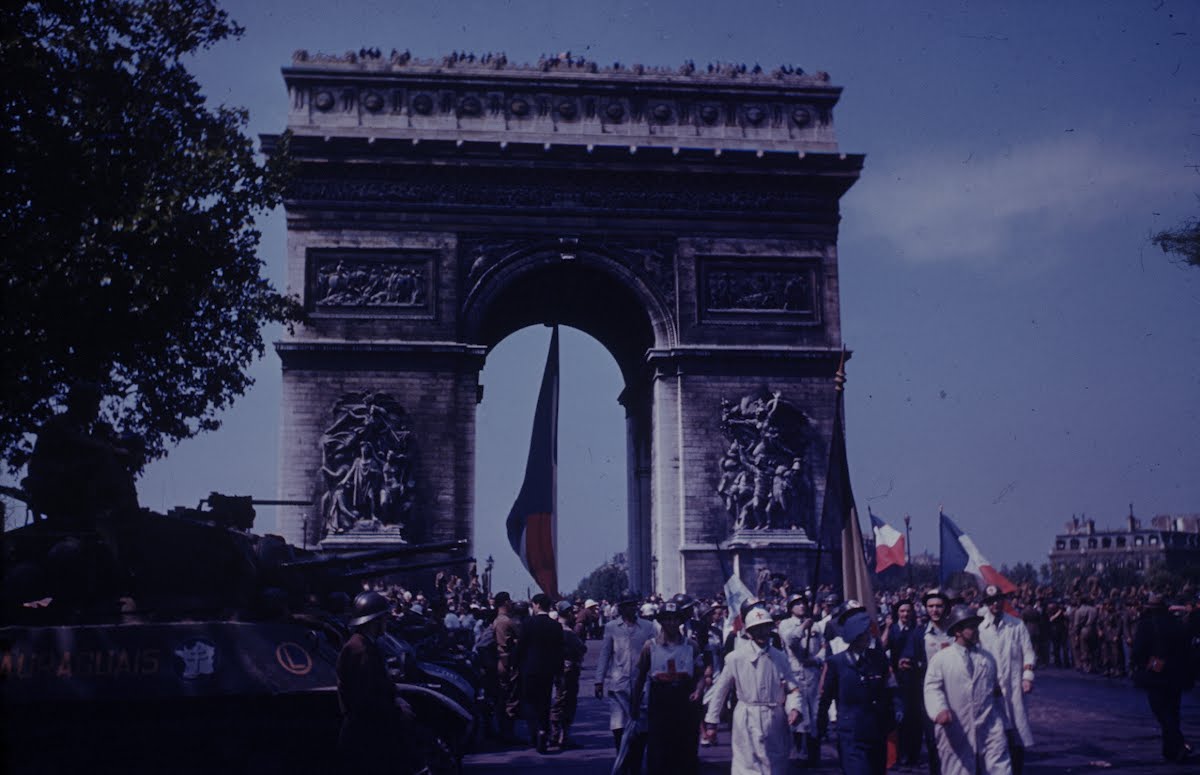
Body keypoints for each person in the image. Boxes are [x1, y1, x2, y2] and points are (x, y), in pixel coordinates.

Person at [704, 606, 802, 775]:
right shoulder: (736, 658)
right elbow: (720, 692)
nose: (761, 633)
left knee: (776, 764)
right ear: (748, 632)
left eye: (765, 627)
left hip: (775, 718)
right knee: (748, 765)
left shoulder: (780, 657)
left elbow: (792, 688)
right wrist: (712, 723)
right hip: (747, 717)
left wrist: (794, 708)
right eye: (756, 629)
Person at [923, 604, 1011, 775]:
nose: (977, 631)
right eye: (972, 628)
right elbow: (932, 688)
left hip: (989, 725)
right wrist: (939, 709)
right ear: (957, 631)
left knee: (1000, 769)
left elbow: (996, 692)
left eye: (977, 627)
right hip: (955, 726)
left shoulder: (987, 658)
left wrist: (1005, 723)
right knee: (958, 770)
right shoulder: (941, 659)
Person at [818, 609, 902, 775]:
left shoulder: (879, 659)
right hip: (851, 734)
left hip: (877, 730)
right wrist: (821, 725)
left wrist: (898, 709)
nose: (868, 637)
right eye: (863, 634)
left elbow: (891, 687)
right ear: (853, 637)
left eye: (868, 633)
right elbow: (826, 697)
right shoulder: (836, 663)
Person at [335, 590, 410, 774]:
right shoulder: (360, 650)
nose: (387, 622)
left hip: (367, 729)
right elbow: (368, 696)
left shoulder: (363, 645)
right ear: (375, 621)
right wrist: (397, 707)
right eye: (384, 618)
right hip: (366, 732)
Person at [632, 593, 706, 774]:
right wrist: (634, 704)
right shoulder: (651, 647)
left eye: (675, 619)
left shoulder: (691, 646)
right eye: (667, 619)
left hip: (684, 699)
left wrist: (698, 690)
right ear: (661, 621)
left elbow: (701, 675)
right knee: (659, 748)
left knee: (686, 747)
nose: (671, 623)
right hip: (660, 700)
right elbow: (640, 675)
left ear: (680, 621)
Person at [977, 585, 1035, 775]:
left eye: (998, 600)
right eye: (991, 601)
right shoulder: (979, 627)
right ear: (986, 603)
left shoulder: (1016, 625)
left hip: (1013, 687)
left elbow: (1028, 652)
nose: (995, 604)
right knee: (994, 734)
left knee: (1016, 733)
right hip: (990, 689)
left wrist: (1027, 677)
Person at [1130, 592, 1193, 763]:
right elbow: (1186, 649)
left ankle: (1179, 744)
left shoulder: (1146, 625)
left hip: (1156, 673)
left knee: (1161, 712)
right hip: (1177, 673)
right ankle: (1170, 750)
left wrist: (1140, 663)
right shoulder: (1177, 623)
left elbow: (1138, 652)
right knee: (1173, 711)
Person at [903, 588, 955, 775]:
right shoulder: (919, 634)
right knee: (934, 742)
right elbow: (908, 654)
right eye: (931, 606)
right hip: (929, 695)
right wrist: (905, 662)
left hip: (956, 693)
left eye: (939, 606)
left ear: (946, 608)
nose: (935, 610)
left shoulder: (956, 631)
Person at [596, 592, 656, 751]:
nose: (631, 608)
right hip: (619, 684)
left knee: (642, 725)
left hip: (642, 684)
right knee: (618, 725)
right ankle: (622, 759)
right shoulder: (611, 627)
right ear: (620, 609)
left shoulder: (648, 627)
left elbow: (656, 654)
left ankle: (636, 760)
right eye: (627, 605)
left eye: (633, 605)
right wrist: (598, 680)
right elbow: (605, 654)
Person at [778, 592, 823, 766]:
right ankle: (798, 752)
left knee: (816, 713)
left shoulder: (817, 626)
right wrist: (803, 626)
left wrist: (816, 659)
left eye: (803, 603)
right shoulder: (785, 624)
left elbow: (823, 647)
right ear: (790, 607)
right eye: (797, 603)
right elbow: (790, 640)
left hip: (812, 672)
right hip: (795, 673)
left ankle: (814, 754)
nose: (802, 606)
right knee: (798, 713)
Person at [515, 592, 563, 753]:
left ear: (536, 605)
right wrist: (559, 672)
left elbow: (520, 647)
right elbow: (560, 651)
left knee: (529, 702)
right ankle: (544, 729)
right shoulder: (555, 625)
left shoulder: (528, 623)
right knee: (544, 702)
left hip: (529, 669)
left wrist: (514, 664)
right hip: (548, 670)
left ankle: (535, 732)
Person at [886, 598, 924, 766]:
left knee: (914, 716)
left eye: (908, 611)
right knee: (899, 716)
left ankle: (913, 754)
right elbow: (882, 646)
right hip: (897, 678)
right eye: (902, 611)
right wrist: (887, 627)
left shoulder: (917, 630)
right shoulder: (893, 629)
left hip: (914, 677)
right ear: (897, 613)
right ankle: (900, 753)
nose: (905, 614)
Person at [551, 599, 587, 748]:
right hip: (569, 668)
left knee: (558, 699)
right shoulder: (568, 632)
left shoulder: (552, 628)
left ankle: (554, 733)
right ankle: (563, 736)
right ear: (567, 613)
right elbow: (582, 649)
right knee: (568, 702)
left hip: (556, 668)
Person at [492, 591, 521, 742]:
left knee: (504, 697)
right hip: (508, 663)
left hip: (503, 662)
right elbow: (510, 644)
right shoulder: (506, 621)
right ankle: (508, 734)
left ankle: (505, 731)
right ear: (505, 602)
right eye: (509, 601)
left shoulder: (498, 620)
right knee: (511, 698)